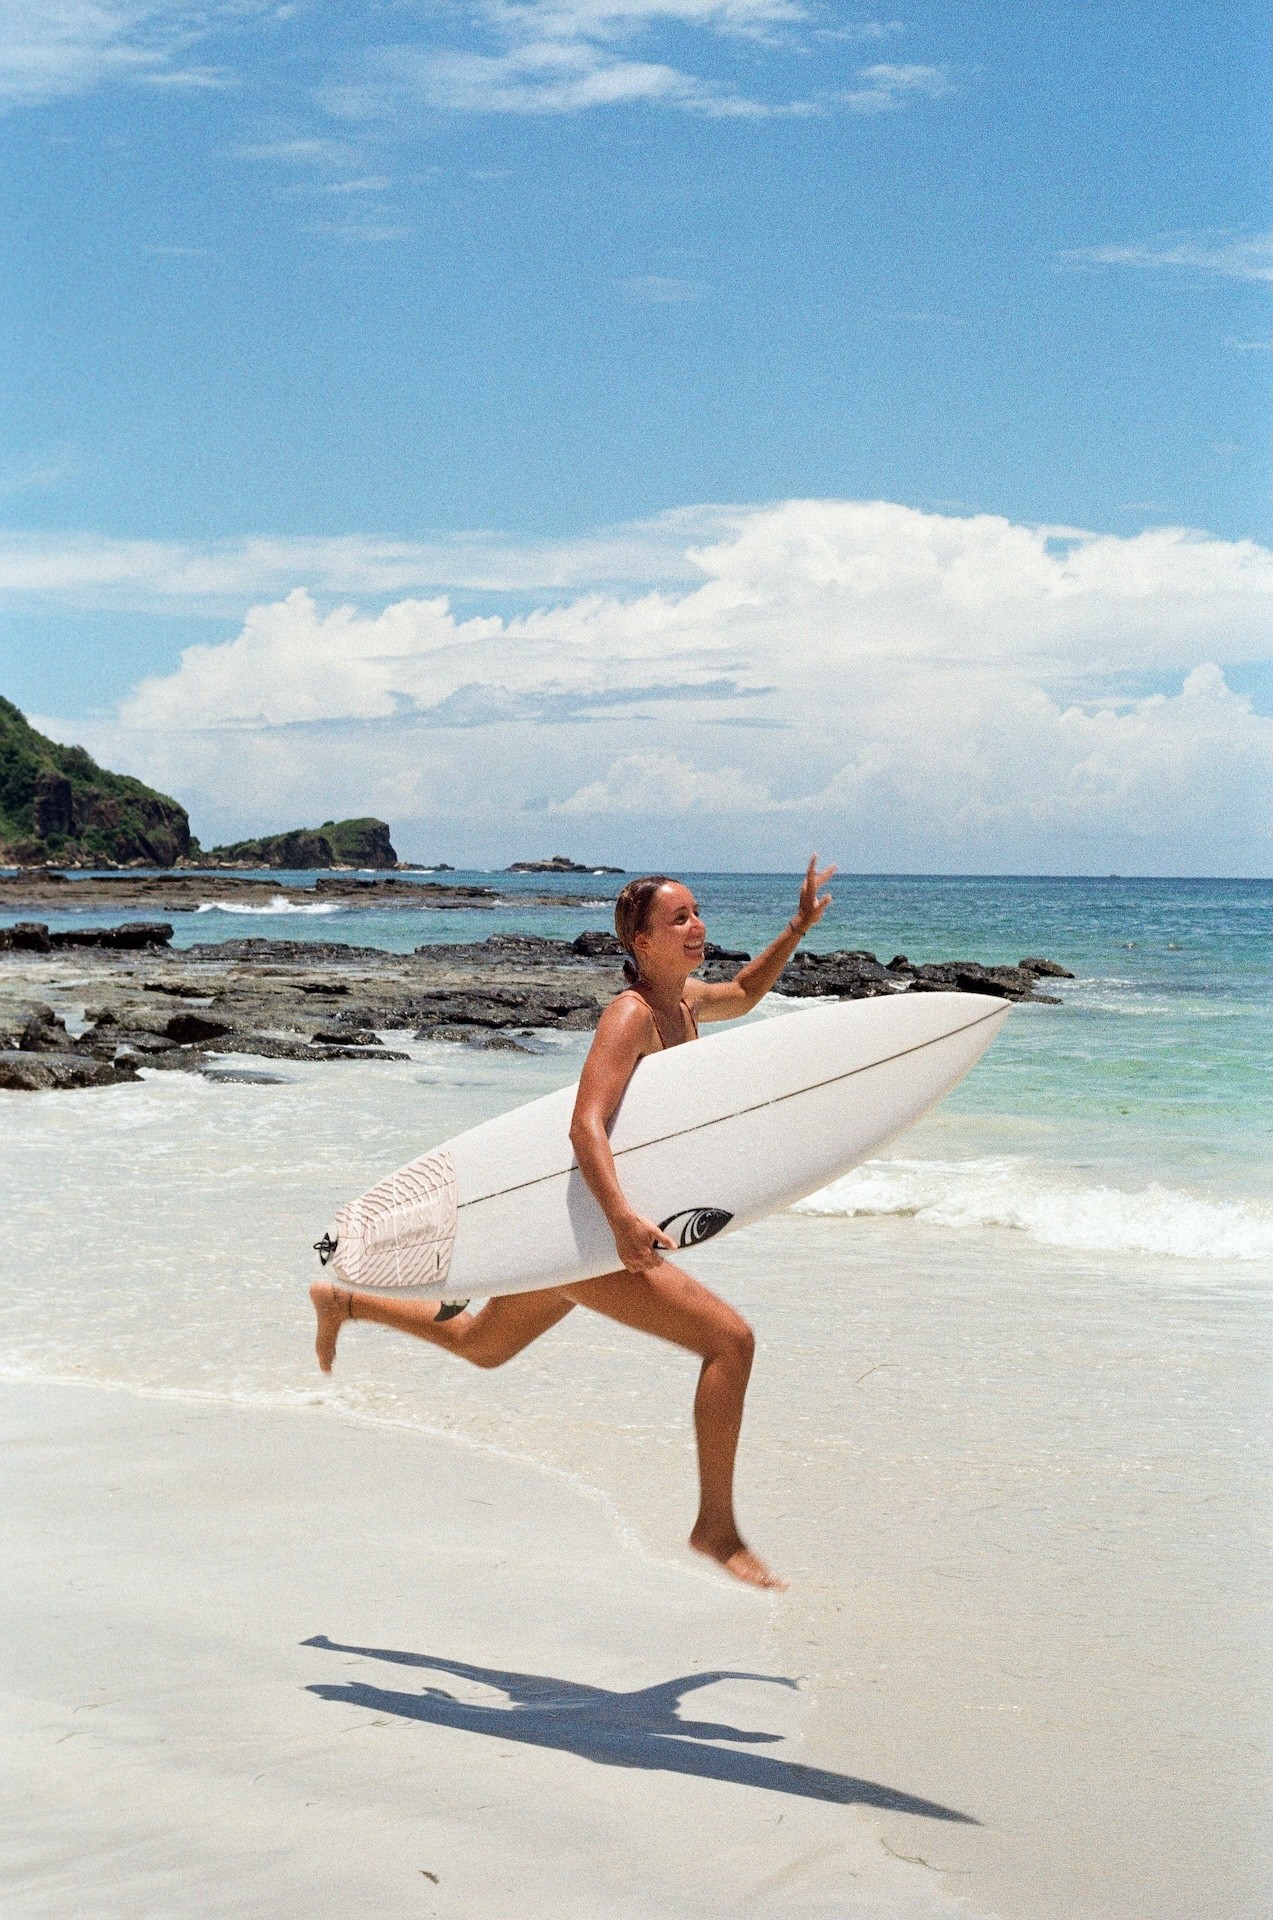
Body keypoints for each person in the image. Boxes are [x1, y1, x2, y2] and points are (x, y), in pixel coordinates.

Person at [310, 856, 836, 1589]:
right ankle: (714, 1528)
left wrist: (796, 926)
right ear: (639, 942)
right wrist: (620, 1222)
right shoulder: (629, 1015)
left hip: (566, 1222)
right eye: (677, 918)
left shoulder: (681, 1003)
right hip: (589, 1228)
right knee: (730, 1342)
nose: (696, 926)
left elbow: (744, 993)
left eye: (695, 912)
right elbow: (584, 1126)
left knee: (481, 1345)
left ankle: (345, 1301)